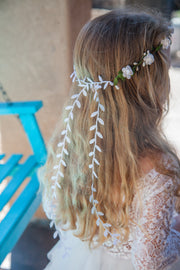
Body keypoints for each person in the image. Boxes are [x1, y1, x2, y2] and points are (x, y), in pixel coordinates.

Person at [40, 8, 180, 270]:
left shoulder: (67, 142)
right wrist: (175, 233)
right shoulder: (158, 166)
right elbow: (148, 263)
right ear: (150, 86)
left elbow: (57, 211)